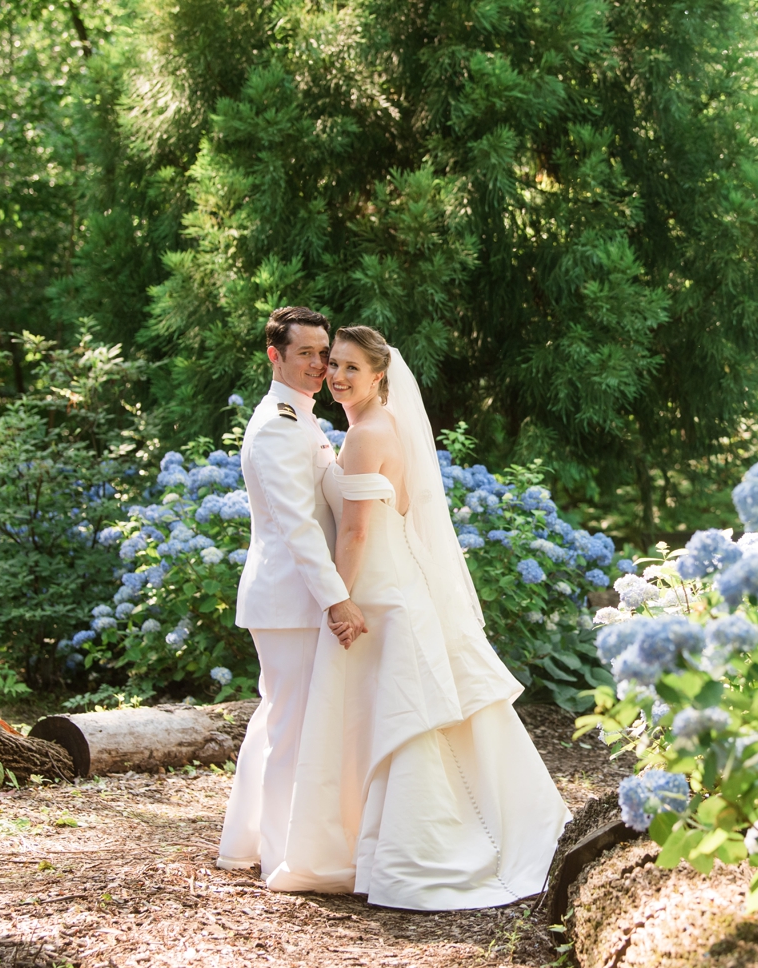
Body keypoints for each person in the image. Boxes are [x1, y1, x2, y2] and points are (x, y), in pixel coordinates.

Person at [264, 325, 571, 908]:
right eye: (334, 366)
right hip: (401, 581)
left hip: (379, 592)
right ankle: (481, 829)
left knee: (400, 715)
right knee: (414, 714)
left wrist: (340, 599)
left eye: (352, 368)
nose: (337, 376)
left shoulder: (362, 437)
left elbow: (354, 531)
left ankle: (417, 852)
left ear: (380, 375)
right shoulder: (385, 426)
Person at [216, 306, 367, 875]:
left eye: (323, 353)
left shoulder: (300, 418)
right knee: (289, 729)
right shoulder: (279, 425)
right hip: (289, 600)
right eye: (305, 353)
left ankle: (245, 845)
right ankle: (282, 857)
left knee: (277, 720)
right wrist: (338, 598)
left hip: (291, 598)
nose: (318, 364)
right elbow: (297, 525)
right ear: (274, 355)